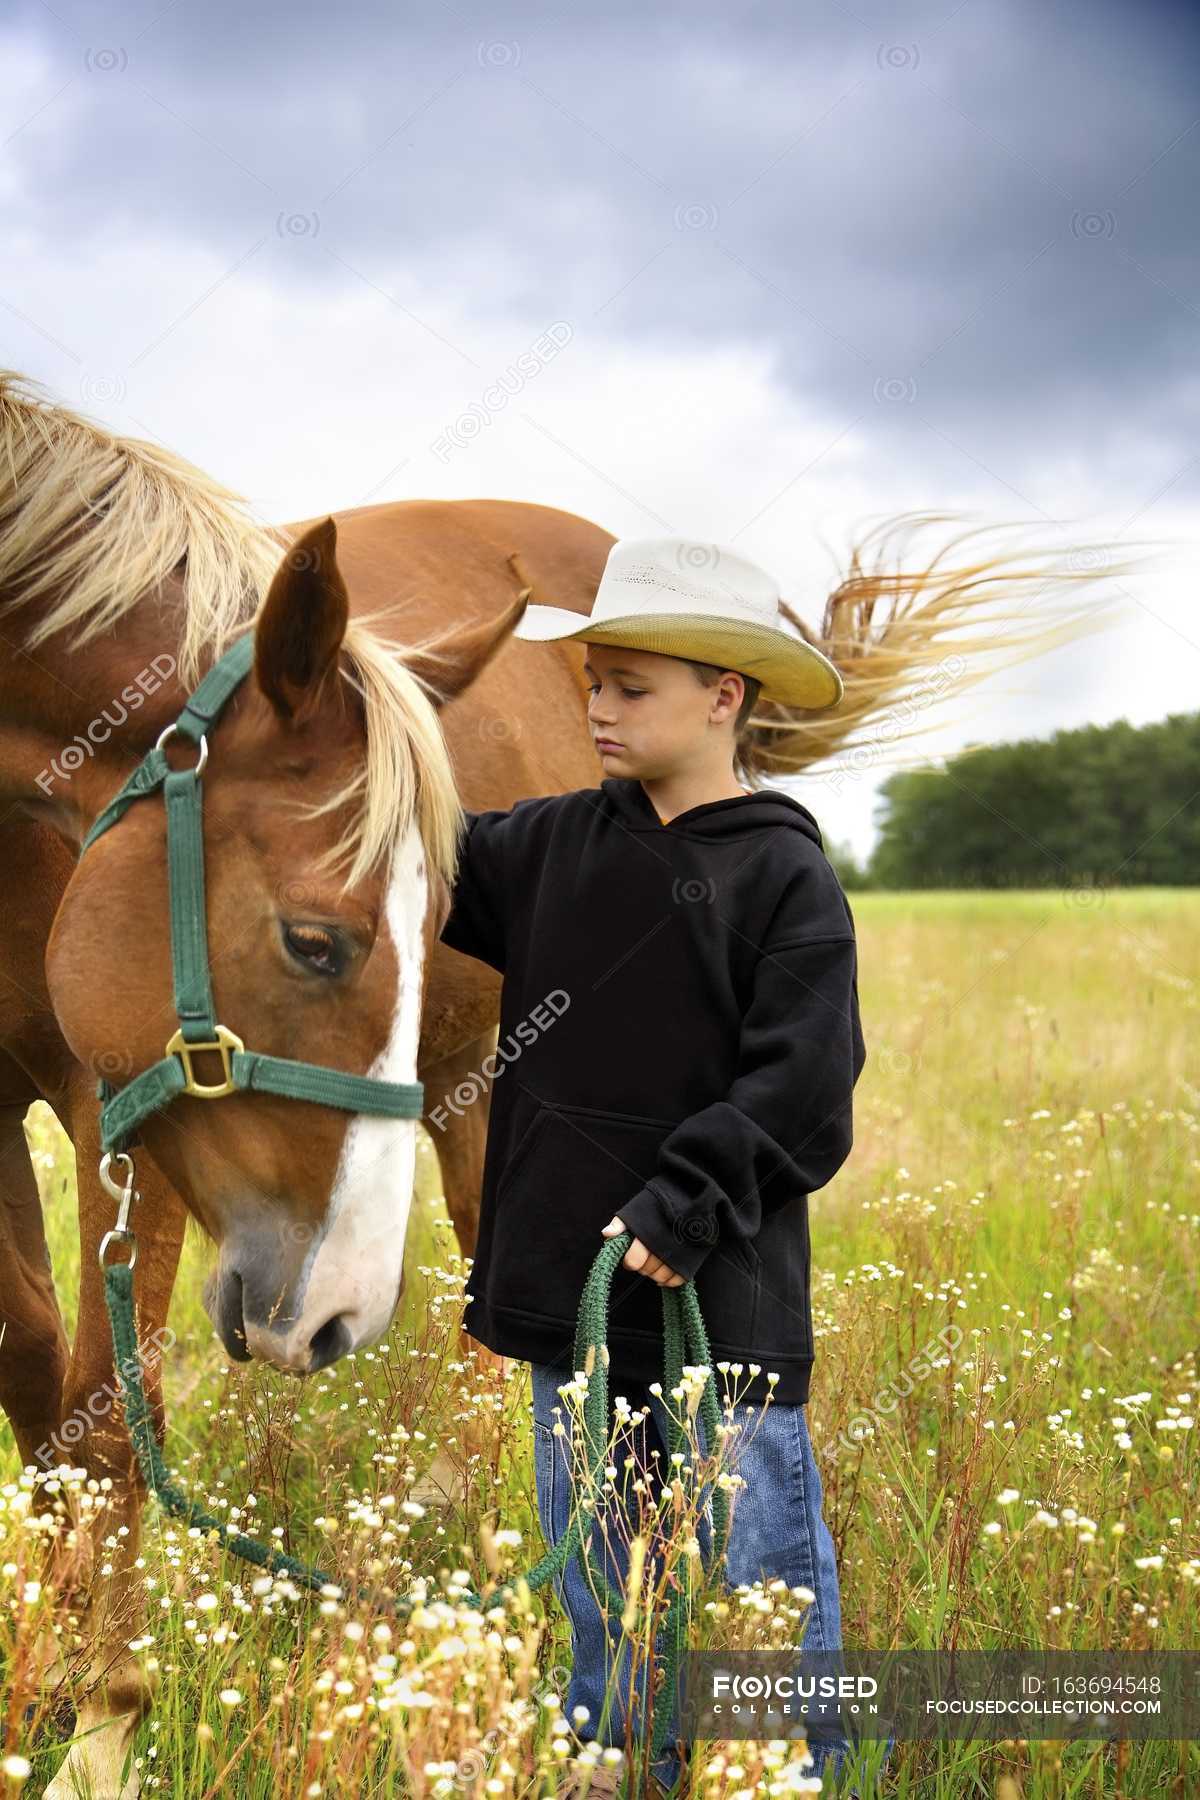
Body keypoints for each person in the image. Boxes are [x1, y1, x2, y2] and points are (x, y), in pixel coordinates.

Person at [439, 535, 885, 1796]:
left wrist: (685, 1202)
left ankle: (790, 1777)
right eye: (592, 681)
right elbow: (405, 841)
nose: (596, 708)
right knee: (598, 1587)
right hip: (562, 1306)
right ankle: (623, 1767)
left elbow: (805, 1090)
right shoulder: (542, 847)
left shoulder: (784, 872)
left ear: (722, 696)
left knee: (754, 1595)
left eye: (631, 685)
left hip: (716, 1309)